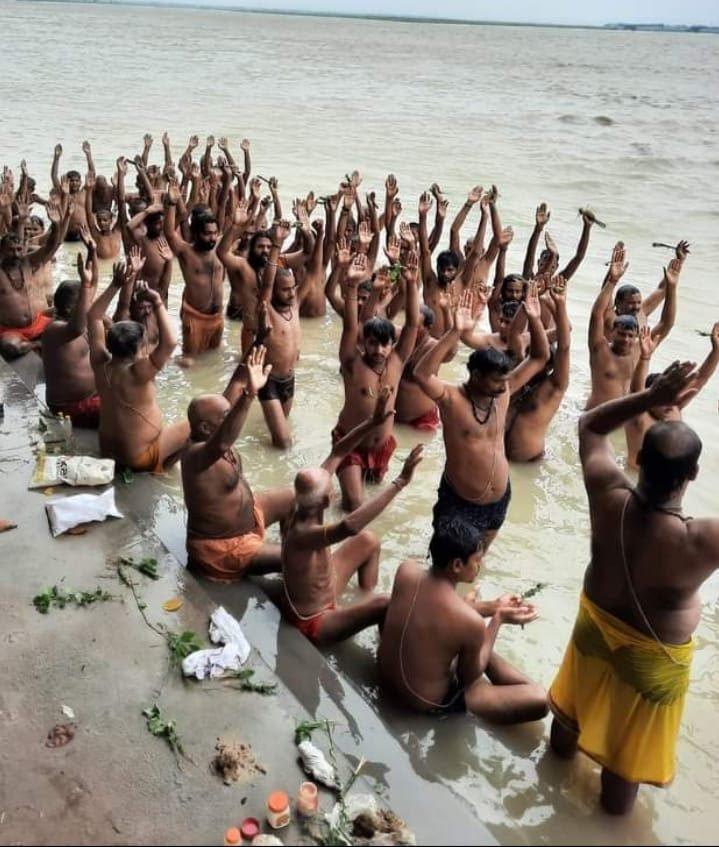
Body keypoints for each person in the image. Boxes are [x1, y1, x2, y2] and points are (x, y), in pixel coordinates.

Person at [549, 362, 719, 815]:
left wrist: (648, 397)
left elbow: (590, 424)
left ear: (639, 459)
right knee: (624, 766)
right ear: (696, 474)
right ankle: (604, 830)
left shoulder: (608, 494)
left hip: (594, 628)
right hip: (651, 664)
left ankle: (549, 785)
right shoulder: (703, 538)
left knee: (568, 718)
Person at [281, 395, 423, 646]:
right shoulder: (303, 532)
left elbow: (339, 451)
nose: (334, 486)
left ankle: (361, 600)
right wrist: (399, 483)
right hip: (314, 620)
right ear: (325, 502)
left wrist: (372, 422)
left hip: (325, 587)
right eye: (331, 489)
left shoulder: (303, 500)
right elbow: (349, 525)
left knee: (369, 541)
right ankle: (383, 647)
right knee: (384, 604)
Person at [414, 285, 549, 550]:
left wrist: (534, 318)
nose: (503, 387)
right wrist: (455, 331)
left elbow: (540, 357)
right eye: (496, 382)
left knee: (474, 566)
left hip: (498, 501)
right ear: (476, 376)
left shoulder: (503, 392)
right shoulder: (451, 398)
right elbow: (421, 374)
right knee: (445, 566)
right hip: (459, 501)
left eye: (504, 382)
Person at [378, 518, 547, 722]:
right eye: (477, 560)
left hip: (387, 682)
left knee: (468, 637)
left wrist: (471, 609)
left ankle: (473, 641)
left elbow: (434, 608)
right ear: (457, 564)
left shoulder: (406, 571)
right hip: (427, 704)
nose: (480, 566)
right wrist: (497, 619)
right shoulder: (468, 622)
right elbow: (469, 676)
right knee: (541, 699)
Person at [182, 345, 296, 580]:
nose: (230, 418)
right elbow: (223, 442)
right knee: (298, 559)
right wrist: (250, 395)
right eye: (225, 416)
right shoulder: (195, 455)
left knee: (295, 499)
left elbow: (235, 386)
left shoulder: (214, 431)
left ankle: (285, 564)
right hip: (224, 547)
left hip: (249, 519)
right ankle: (289, 567)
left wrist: (258, 343)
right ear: (205, 428)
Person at [332, 250, 419, 510]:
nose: (378, 351)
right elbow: (350, 327)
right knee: (355, 505)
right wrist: (352, 285)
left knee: (373, 498)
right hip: (350, 445)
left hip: (382, 447)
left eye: (384, 345)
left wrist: (412, 285)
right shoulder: (351, 364)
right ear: (364, 343)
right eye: (372, 344)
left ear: (392, 345)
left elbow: (413, 324)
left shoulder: (397, 362)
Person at [88, 266, 189, 473]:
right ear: (140, 347)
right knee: (198, 421)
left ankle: (158, 464)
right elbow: (170, 343)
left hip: (107, 452)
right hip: (137, 458)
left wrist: (116, 284)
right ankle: (161, 469)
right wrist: (157, 301)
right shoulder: (138, 372)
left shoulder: (99, 362)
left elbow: (93, 317)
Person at [586, 242, 679, 410]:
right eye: (622, 334)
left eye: (630, 335)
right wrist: (612, 278)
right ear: (613, 331)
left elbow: (666, 322)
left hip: (625, 413)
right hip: (597, 414)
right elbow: (597, 313)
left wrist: (673, 283)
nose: (627, 339)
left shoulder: (640, 339)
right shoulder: (604, 336)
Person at [255, 218, 316, 448]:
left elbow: (313, 266)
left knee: (281, 430)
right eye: (286, 289)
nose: (291, 293)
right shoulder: (266, 307)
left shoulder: (295, 305)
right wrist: (277, 245)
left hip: (289, 378)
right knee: (283, 442)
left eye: (293, 288)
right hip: (269, 380)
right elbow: (267, 285)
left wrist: (308, 232)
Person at [624, 323, 719, 468]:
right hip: (638, 481)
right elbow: (636, 391)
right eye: (662, 396)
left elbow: (701, 378)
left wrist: (716, 351)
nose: (668, 401)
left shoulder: (672, 409)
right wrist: (645, 358)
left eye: (670, 396)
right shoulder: (640, 419)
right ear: (649, 398)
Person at [505, 276, 571, 461]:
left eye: (535, 357)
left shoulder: (554, 387)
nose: (529, 360)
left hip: (529, 464)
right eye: (528, 355)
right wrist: (527, 308)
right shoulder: (518, 378)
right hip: (500, 461)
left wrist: (560, 305)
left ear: (549, 364)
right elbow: (515, 335)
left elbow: (564, 348)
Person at [163, 180, 224, 364]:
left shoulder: (220, 247)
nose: (212, 237)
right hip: (195, 317)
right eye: (207, 233)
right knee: (189, 362)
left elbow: (239, 229)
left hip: (217, 316)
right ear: (196, 233)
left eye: (214, 233)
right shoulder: (186, 252)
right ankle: (170, 363)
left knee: (214, 360)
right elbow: (169, 233)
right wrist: (172, 204)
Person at [42, 244, 101, 427]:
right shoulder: (54, 329)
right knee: (124, 408)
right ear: (68, 308)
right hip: (69, 408)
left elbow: (93, 285)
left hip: (90, 399)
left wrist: (92, 251)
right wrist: (85, 284)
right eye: (83, 302)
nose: (89, 305)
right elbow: (76, 328)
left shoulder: (79, 318)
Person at [0, 196, 67, 358]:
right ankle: (38, 344)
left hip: (39, 322)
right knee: (10, 348)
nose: (16, 254)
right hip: (12, 330)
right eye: (11, 250)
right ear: (2, 251)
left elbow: (51, 245)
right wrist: (9, 212)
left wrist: (57, 224)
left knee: (72, 324)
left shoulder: (28, 262)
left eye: (19, 249)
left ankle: (38, 342)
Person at [603, 240, 690, 337]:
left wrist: (679, 260)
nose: (636, 307)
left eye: (638, 302)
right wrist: (613, 275)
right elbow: (605, 293)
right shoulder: (610, 318)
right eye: (631, 303)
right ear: (618, 303)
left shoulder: (641, 313)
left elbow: (662, 290)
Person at [395, 301, 452, 431]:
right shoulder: (398, 336)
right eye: (408, 323)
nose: (410, 328)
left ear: (428, 327)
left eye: (416, 326)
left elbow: (451, 351)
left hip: (422, 421)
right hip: (393, 417)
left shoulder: (433, 347)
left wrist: (446, 312)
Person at [523, 204, 595, 283]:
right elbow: (529, 260)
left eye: (552, 263)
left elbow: (579, 257)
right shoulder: (529, 279)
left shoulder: (558, 283)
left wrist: (587, 227)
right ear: (538, 262)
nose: (549, 264)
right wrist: (538, 228)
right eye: (546, 259)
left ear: (556, 267)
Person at [83, 172, 122, 259]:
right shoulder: (96, 234)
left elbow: (121, 207)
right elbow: (88, 212)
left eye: (105, 220)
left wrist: (118, 184)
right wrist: (89, 190)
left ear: (111, 221)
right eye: (99, 220)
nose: (101, 223)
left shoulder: (117, 232)